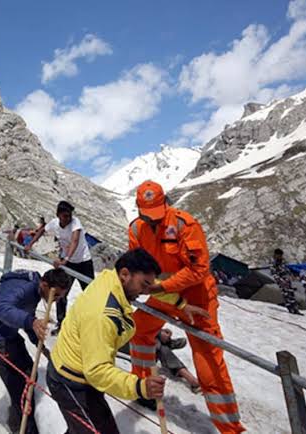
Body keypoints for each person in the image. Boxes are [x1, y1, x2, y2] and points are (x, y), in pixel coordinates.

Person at [128, 180, 245, 433]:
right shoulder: (136, 230)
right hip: (164, 295)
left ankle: (230, 428)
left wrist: (161, 287)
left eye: (157, 216)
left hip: (196, 298)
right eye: (148, 217)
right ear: (138, 210)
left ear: (166, 203)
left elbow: (199, 269)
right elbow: (136, 264)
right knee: (139, 330)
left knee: (208, 361)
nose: (153, 222)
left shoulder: (184, 224)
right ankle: (144, 389)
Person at [46, 249, 201, 434]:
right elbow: (97, 371)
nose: (146, 292)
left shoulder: (112, 278)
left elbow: (151, 284)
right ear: (125, 274)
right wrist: (140, 387)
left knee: (81, 428)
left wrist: (180, 304)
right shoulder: (102, 315)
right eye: (143, 285)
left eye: (148, 285)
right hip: (71, 381)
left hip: (82, 374)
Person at [0, 268, 73, 434]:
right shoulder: (24, 289)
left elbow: (28, 316)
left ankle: (19, 414)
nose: (56, 301)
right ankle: (23, 427)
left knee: (29, 370)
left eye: (60, 297)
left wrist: (38, 343)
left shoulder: (36, 291)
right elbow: (3, 310)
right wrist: (32, 321)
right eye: (55, 295)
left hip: (7, 331)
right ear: (44, 284)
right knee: (18, 383)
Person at [25, 200, 94, 335]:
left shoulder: (75, 223)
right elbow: (42, 231)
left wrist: (65, 259)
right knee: (61, 293)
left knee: (91, 293)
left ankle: (91, 324)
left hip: (84, 262)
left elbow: (74, 241)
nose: (67, 218)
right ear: (58, 215)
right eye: (64, 216)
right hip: (68, 263)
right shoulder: (54, 223)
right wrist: (30, 244)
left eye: (69, 215)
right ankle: (61, 324)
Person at [119, 329, 201, 394]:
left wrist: (159, 331)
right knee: (156, 344)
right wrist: (158, 333)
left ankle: (166, 342)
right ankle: (168, 343)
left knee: (155, 342)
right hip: (123, 344)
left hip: (130, 338)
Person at [271, 249, 302, 315]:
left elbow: (287, 269)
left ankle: (295, 309)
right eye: (279, 255)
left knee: (291, 294)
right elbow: (274, 273)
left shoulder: (282, 261)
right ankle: (291, 309)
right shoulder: (273, 262)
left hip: (287, 280)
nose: (280, 256)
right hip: (282, 281)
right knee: (286, 295)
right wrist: (280, 281)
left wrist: (291, 276)